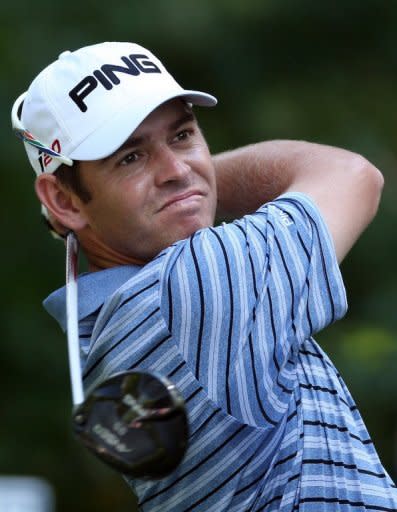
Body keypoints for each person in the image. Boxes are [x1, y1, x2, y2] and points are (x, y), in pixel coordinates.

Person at [11, 41, 397, 512]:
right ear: (65, 201)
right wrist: (197, 184)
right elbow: (352, 174)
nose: (176, 169)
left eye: (182, 136)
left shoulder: (105, 328)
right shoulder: (189, 288)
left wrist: (178, 189)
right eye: (130, 158)